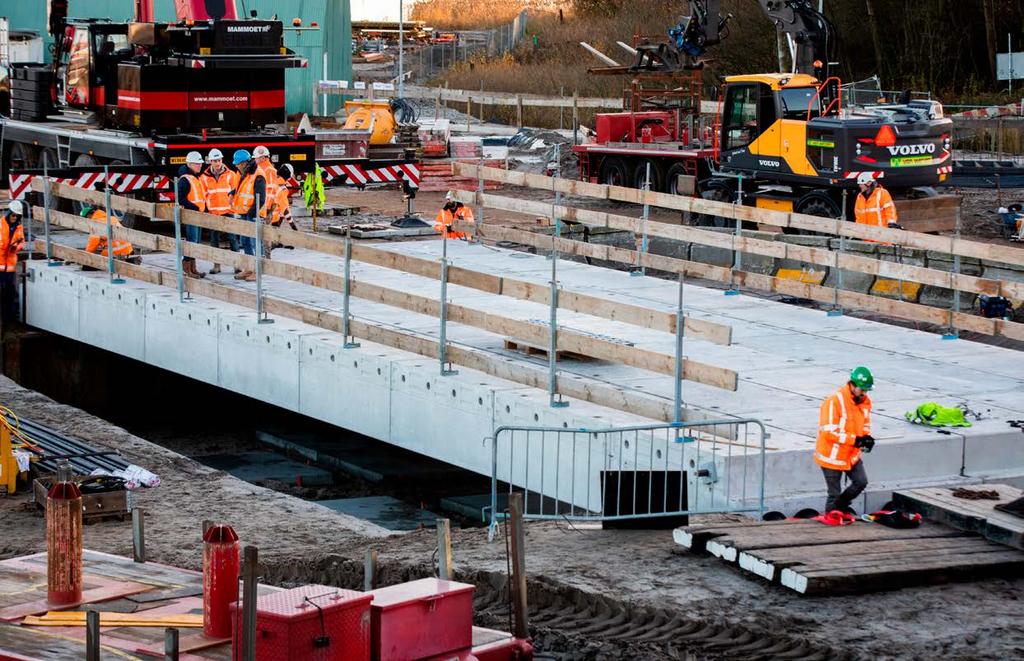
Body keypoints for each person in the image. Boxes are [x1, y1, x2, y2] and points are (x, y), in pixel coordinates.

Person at [815, 366, 875, 514]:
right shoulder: (833, 402)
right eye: (862, 389)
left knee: (861, 482)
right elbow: (829, 432)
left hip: (850, 455)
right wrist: (855, 440)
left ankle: (840, 507)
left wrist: (866, 438)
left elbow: (865, 424)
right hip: (832, 457)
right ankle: (831, 518)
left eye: (867, 390)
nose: (864, 393)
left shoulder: (864, 402)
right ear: (852, 385)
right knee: (833, 494)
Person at [200, 148, 240, 274]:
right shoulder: (204, 177)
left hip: (228, 211)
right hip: (213, 213)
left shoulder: (231, 175)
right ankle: (216, 265)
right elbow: (203, 194)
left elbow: (236, 192)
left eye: (219, 160)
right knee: (214, 240)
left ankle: (237, 265)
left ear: (222, 160)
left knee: (233, 239)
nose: (217, 163)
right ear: (210, 161)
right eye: (214, 160)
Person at [229, 150, 267, 282]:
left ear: (244, 163)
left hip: (252, 215)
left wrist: (251, 214)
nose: (236, 167)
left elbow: (261, 199)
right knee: (245, 242)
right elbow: (242, 188)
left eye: (238, 164)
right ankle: (249, 268)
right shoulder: (245, 172)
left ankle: (256, 271)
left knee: (253, 242)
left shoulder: (258, 175)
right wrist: (232, 192)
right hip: (245, 213)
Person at [177, 150, 207, 278]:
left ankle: (193, 268)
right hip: (191, 215)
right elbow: (181, 198)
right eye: (197, 164)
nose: (200, 166)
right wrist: (194, 207)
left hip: (197, 214)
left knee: (196, 241)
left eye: (200, 164)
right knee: (191, 241)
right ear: (189, 164)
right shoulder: (186, 179)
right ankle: (187, 268)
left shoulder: (195, 177)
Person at [0, 200, 25, 331]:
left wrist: (16, 247)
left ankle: (10, 322)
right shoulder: (0, 225)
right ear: (8, 213)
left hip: (10, 268)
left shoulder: (19, 228)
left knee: (10, 295)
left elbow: (22, 242)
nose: (15, 218)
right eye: (13, 215)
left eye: (17, 216)